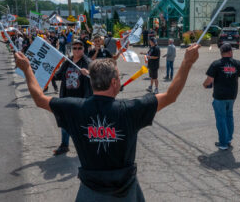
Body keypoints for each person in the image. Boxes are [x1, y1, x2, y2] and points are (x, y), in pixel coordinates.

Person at [14, 44, 200, 201]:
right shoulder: (130, 109)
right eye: (119, 77)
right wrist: (186, 63)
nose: (120, 80)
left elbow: (39, 99)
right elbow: (171, 96)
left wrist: (27, 69)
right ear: (113, 83)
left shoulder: (74, 108)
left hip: (90, 190)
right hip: (125, 190)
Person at [203, 43, 240, 150]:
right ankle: (228, 139)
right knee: (229, 117)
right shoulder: (237, 63)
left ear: (221, 53)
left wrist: (204, 85)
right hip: (232, 96)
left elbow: (208, 81)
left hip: (219, 96)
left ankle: (223, 143)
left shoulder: (216, 64)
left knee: (221, 118)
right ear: (230, 52)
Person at [51, 40, 92, 155]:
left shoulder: (87, 62)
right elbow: (59, 75)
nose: (77, 50)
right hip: (66, 97)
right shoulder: (68, 62)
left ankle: (86, 146)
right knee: (65, 122)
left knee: (82, 124)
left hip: (81, 99)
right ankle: (64, 145)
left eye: (79, 48)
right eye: (75, 48)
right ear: (72, 49)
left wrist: (88, 73)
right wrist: (49, 74)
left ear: (83, 49)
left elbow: (96, 75)